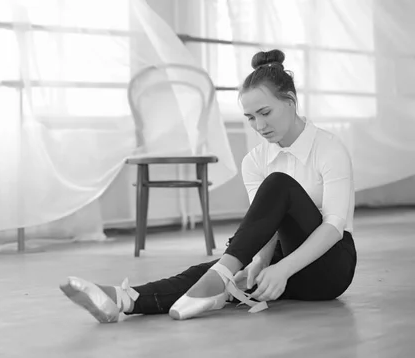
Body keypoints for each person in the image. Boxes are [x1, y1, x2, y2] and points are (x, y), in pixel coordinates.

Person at [59, 49, 358, 323]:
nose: (259, 126)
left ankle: (220, 275)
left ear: (290, 102)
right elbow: (266, 226)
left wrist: (282, 268)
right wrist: (259, 262)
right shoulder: (255, 160)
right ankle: (125, 300)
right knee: (205, 272)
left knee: (278, 184)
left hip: (329, 269)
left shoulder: (328, 148)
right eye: (250, 118)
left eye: (265, 113)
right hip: (284, 266)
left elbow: (333, 227)